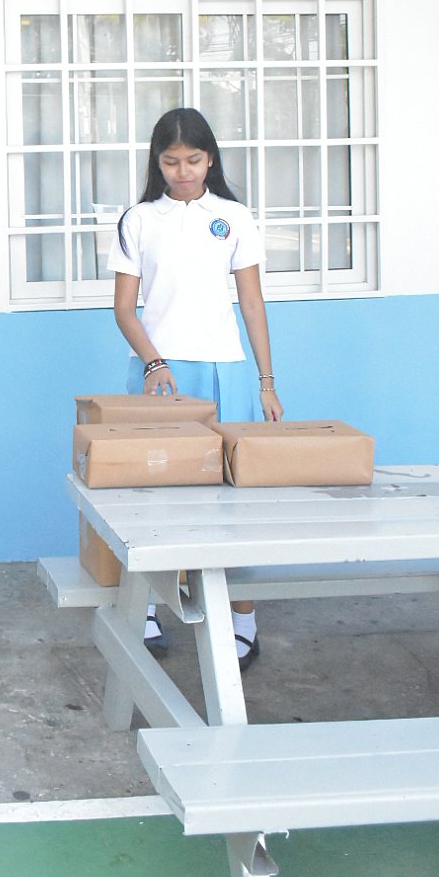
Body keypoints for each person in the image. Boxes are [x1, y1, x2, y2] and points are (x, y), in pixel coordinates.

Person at [108, 108, 283, 671]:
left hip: (225, 369)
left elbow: (251, 303)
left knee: (234, 496)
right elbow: (124, 309)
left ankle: (243, 620)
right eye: (171, 161)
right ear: (156, 164)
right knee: (152, 492)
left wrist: (266, 382)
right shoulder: (139, 220)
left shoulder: (233, 217)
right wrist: (154, 361)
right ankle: (146, 609)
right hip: (159, 374)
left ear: (210, 160)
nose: (182, 172)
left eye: (193, 160)